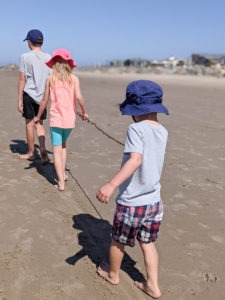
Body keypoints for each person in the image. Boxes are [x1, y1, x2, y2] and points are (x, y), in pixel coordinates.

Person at [96, 80, 169, 298]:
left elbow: (136, 160)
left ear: (135, 110)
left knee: (118, 241)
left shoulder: (135, 128)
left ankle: (113, 275)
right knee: (148, 243)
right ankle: (153, 285)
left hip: (132, 201)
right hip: (154, 201)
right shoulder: (162, 130)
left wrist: (111, 185)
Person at [34, 48, 88, 191]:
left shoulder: (50, 79)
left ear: (54, 64)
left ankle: (61, 182)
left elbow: (44, 100)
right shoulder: (74, 78)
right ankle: (62, 174)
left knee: (57, 149)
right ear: (68, 63)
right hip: (69, 120)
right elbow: (79, 98)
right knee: (63, 145)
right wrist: (84, 112)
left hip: (56, 119)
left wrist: (38, 117)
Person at [18, 29, 51, 163]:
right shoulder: (49, 57)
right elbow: (51, 78)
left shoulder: (25, 57)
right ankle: (42, 149)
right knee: (40, 124)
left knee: (29, 124)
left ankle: (31, 153)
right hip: (43, 95)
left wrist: (19, 99)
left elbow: (22, 79)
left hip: (29, 94)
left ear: (29, 42)